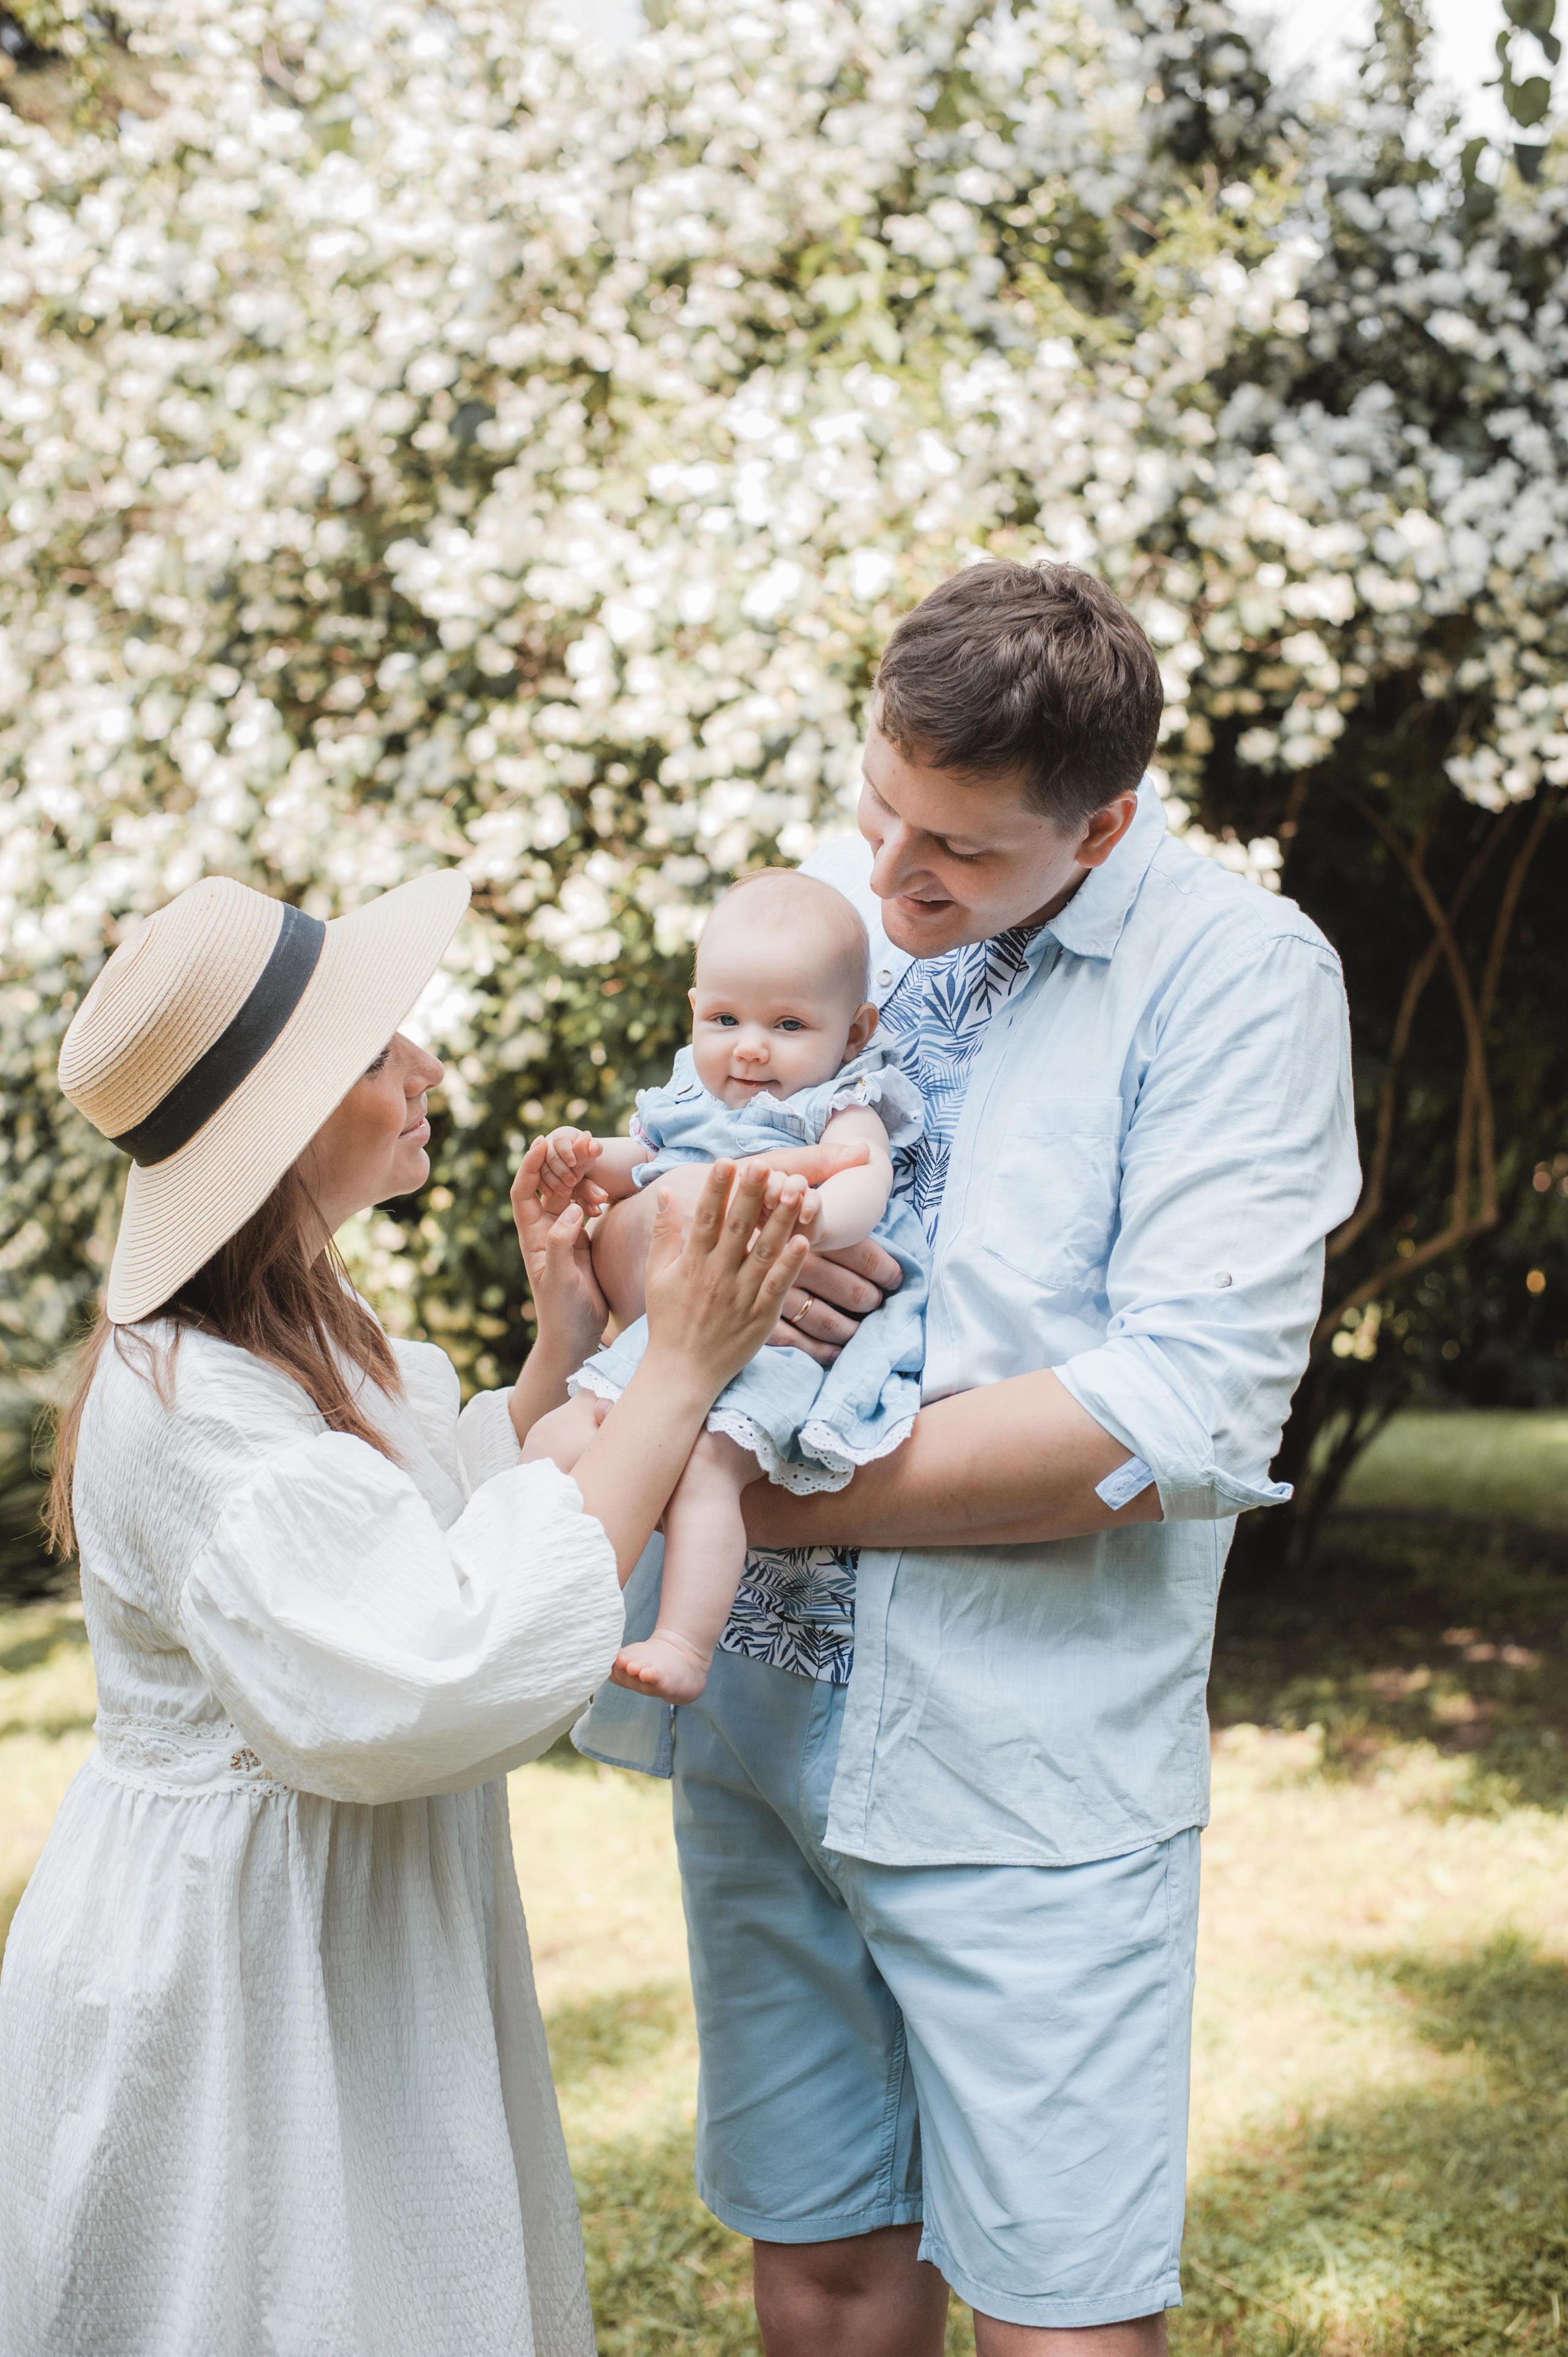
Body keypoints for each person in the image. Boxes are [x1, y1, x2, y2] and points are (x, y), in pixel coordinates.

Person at [573, 560, 1362, 2353]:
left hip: (1022, 1773)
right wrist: (663, 1238)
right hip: (766, 1731)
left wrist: (738, 1488)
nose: (896, 874)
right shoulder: (862, 927)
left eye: (961, 855)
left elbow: (1172, 1413)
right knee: (827, 2259)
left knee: (1053, 2312)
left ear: (1106, 827)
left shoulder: (1236, 978)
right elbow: (677, 1214)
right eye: (882, 808)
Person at [0, 868, 810, 2357]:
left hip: (334, 1922)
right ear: (293, 1116)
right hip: (236, 1963)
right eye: (381, 1049)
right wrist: (683, 1369)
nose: (427, 1066)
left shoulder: (305, 1315)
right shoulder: (196, 1411)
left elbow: (433, 1519)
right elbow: (435, 1664)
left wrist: (569, 1339)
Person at [520, 868, 929, 1703]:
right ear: (695, 1011)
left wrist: (807, 1215)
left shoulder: (840, 1103)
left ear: (854, 1032)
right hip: (673, 1335)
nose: (749, 1047)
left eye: (787, 1024)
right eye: (725, 1019)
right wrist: (588, 1158)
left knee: (708, 1465)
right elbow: (651, 1164)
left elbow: (865, 1184)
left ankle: (683, 1641)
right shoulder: (694, 1097)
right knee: (557, 1439)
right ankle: (548, 1618)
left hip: (773, 1348)